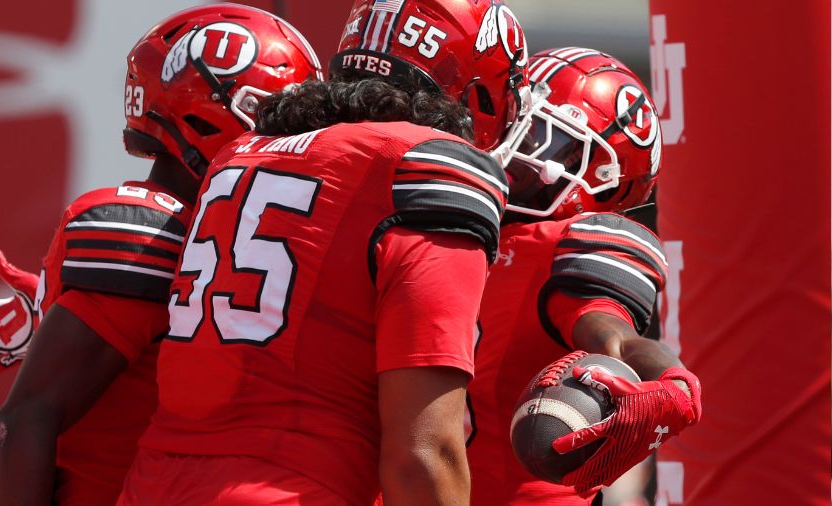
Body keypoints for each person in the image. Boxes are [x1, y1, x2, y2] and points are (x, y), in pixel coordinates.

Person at [118, 1, 538, 505]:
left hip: (151, 487)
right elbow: (422, 456)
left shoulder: (241, 152)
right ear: (476, 86)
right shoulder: (425, 167)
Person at [0, 5, 322, 505]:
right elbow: (25, 417)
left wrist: (46, 314)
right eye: (278, 114)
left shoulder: (232, 231)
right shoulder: (144, 232)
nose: (300, 137)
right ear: (207, 111)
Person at [466, 48, 702, 505]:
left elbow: (613, 333)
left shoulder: (556, 247)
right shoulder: (452, 226)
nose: (516, 147)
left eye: (543, 137)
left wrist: (672, 383)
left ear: (605, 179)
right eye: (516, 124)